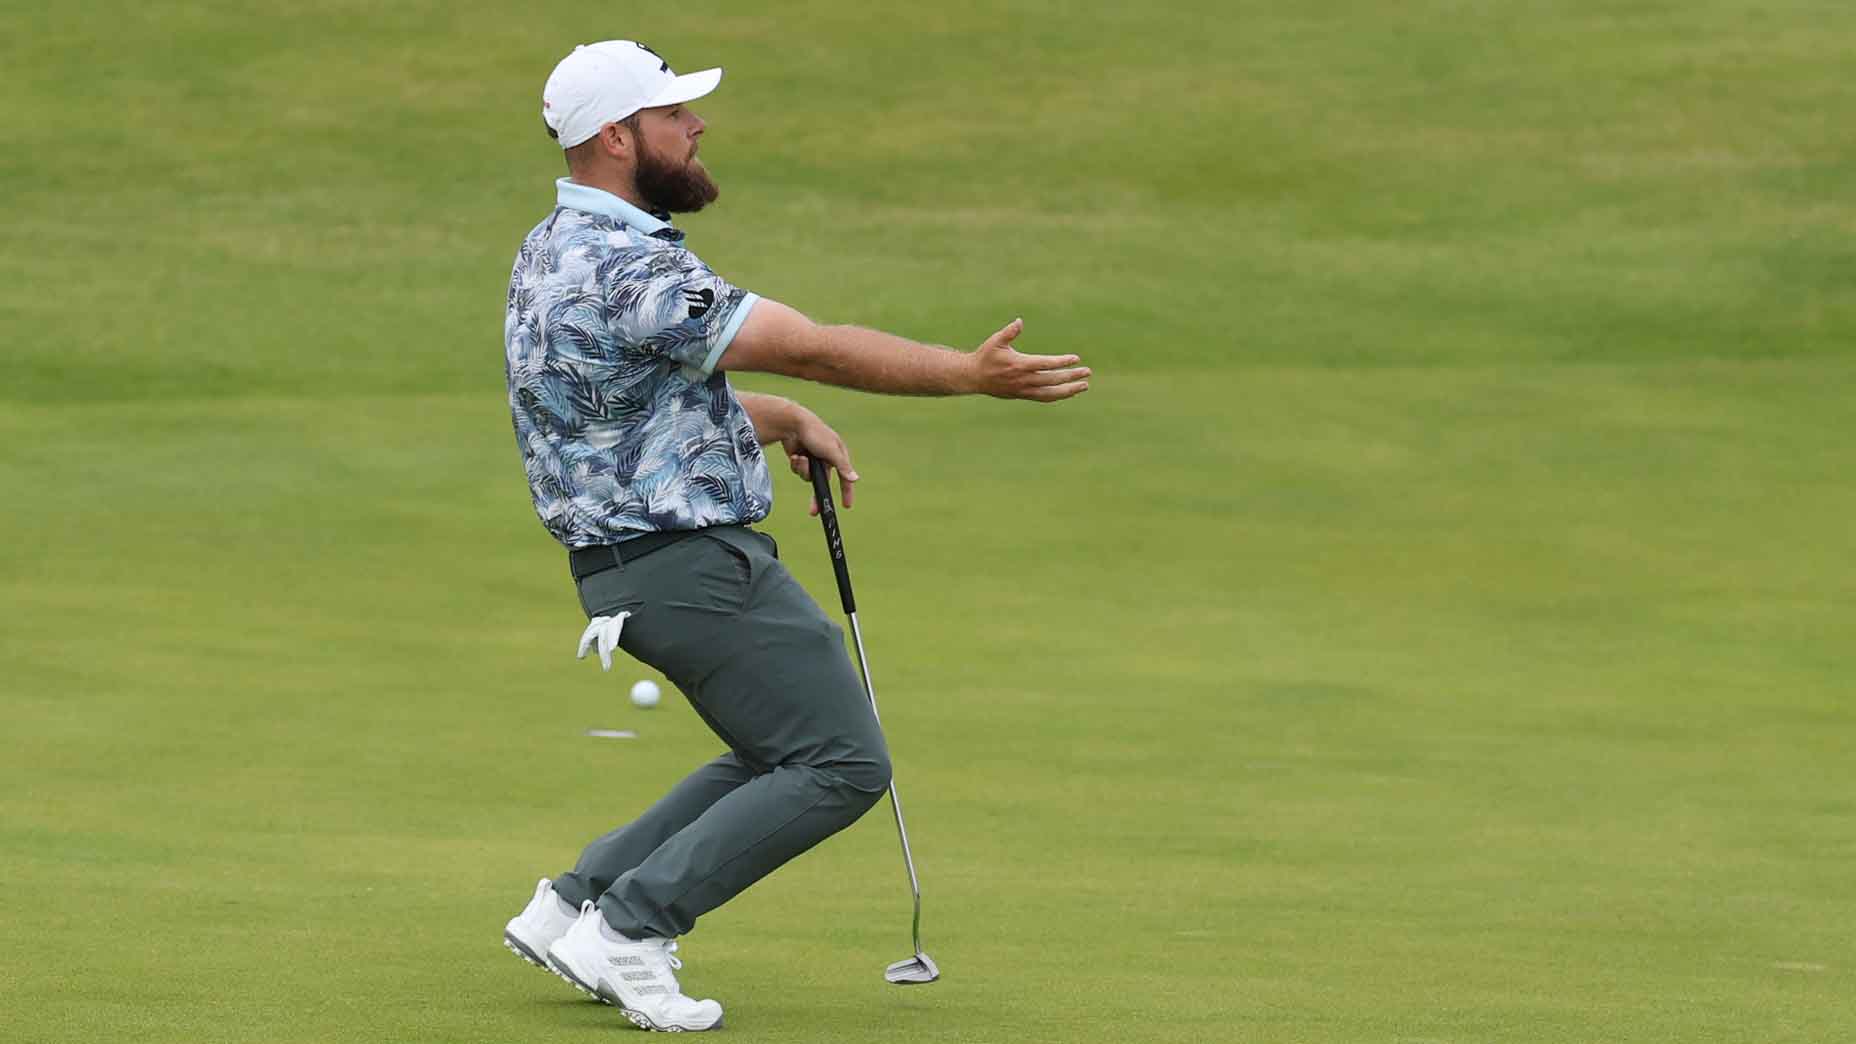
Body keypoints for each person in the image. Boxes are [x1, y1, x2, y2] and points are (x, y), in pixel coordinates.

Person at [499, 39, 1090, 1033]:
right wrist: (963, 374)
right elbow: (810, 346)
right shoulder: (628, 267)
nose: (695, 127)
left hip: (627, 570)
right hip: (692, 569)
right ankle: (633, 927)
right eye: (672, 114)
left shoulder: (553, 248)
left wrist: (768, 421)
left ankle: (577, 902)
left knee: (782, 745)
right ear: (615, 137)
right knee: (842, 762)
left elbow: (619, 411)